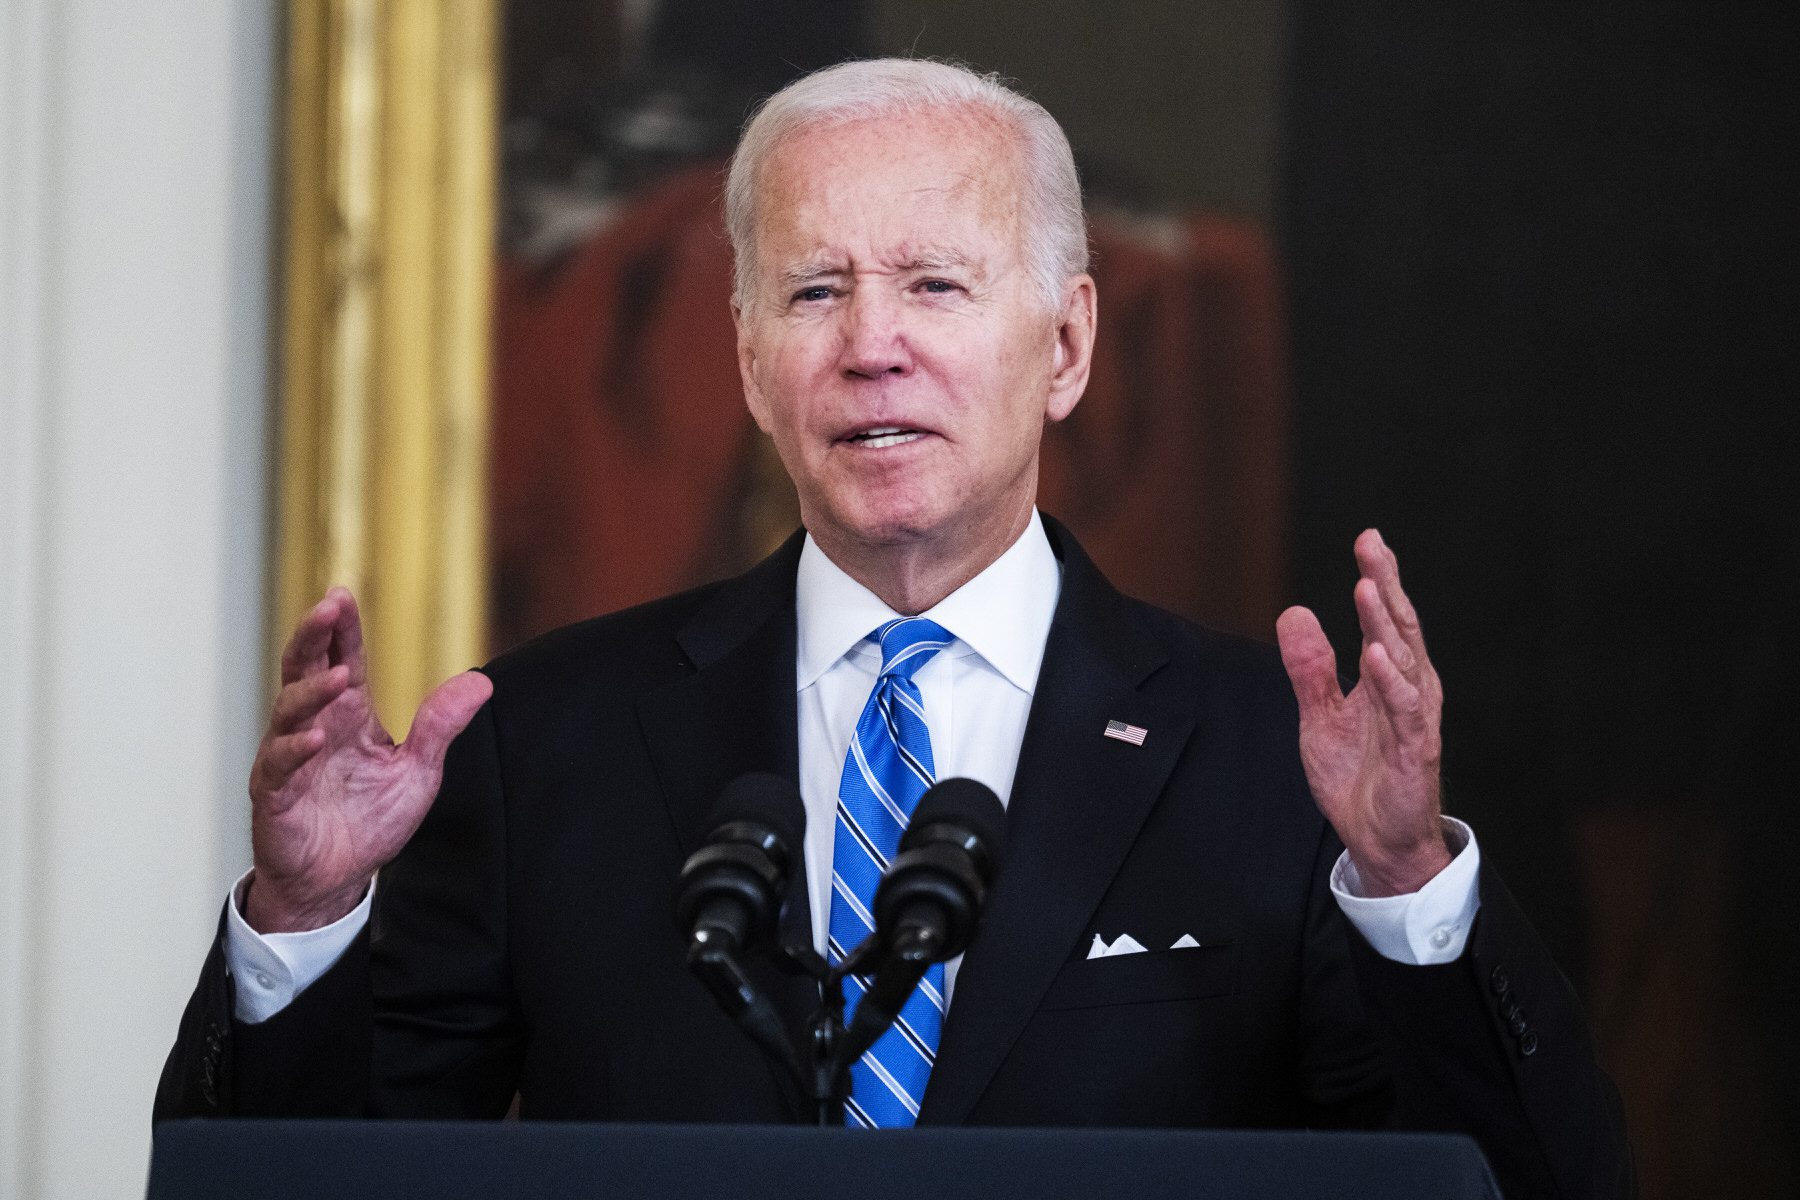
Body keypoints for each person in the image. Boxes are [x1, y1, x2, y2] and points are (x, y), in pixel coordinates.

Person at [157, 58, 1631, 1198]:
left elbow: (1523, 1186)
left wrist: (1405, 889)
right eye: (814, 290)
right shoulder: (546, 742)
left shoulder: (1272, 760)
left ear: (1064, 344)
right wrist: (304, 926)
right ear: (748, 359)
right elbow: (304, 1187)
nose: (873, 343)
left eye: (935, 283)